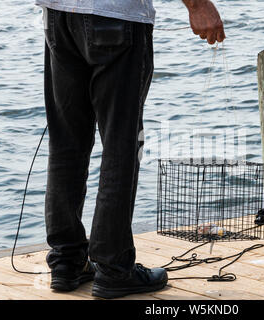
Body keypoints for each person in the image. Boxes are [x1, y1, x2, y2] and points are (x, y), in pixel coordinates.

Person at [35, 0, 226, 299]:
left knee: (66, 144)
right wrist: (198, 4)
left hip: (59, 16)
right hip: (115, 16)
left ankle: (66, 263)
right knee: (121, 147)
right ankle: (114, 270)